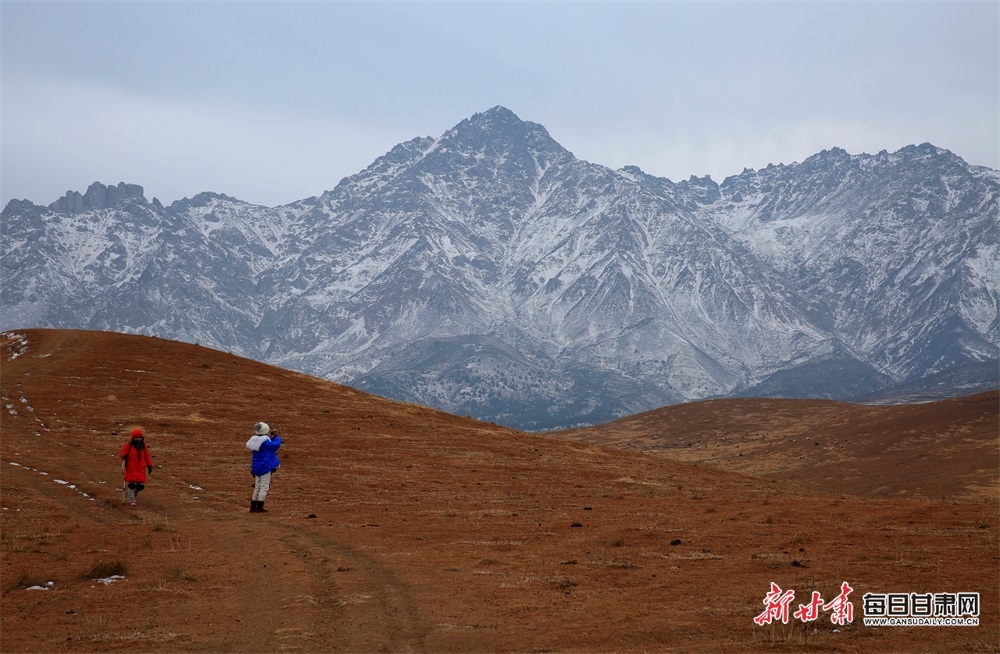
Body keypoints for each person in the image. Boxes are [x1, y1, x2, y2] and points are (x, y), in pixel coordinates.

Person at [246, 422, 281, 513]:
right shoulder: (265, 442)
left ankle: (253, 507)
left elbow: (268, 446)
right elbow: (275, 445)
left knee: (257, 486)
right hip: (265, 466)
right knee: (264, 487)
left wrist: (272, 438)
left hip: (256, 466)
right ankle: (259, 507)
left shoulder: (254, 441)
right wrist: (277, 437)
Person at [120, 428, 153, 507]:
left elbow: (147, 457)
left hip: (140, 469)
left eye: (139, 438)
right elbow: (122, 454)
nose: (138, 440)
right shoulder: (128, 445)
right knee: (132, 484)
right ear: (133, 438)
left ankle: (133, 495)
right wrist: (125, 456)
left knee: (140, 486)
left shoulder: (143, 446)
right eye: (136, 438)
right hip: (131, 468)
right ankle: (132, 499)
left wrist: (149, 465)